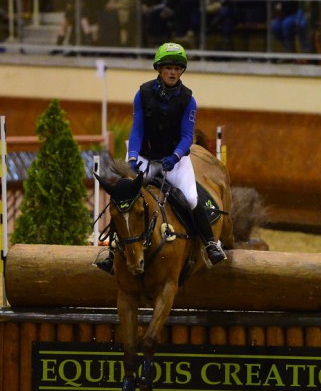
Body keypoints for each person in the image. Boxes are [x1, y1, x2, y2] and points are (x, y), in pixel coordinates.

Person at [95, 43, 226, 273]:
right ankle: (112, 251)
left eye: (177, 68)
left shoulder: (188, 100)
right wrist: (133, 158)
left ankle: (210, 244)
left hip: (175, 161)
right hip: (145, 157)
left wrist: (175, 157)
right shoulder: (143, 94)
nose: (173, 72)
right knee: (125, 196)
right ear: (159, 69)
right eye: (168, 68)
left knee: (192, 199)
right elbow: (137, 129)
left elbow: (187, 136)